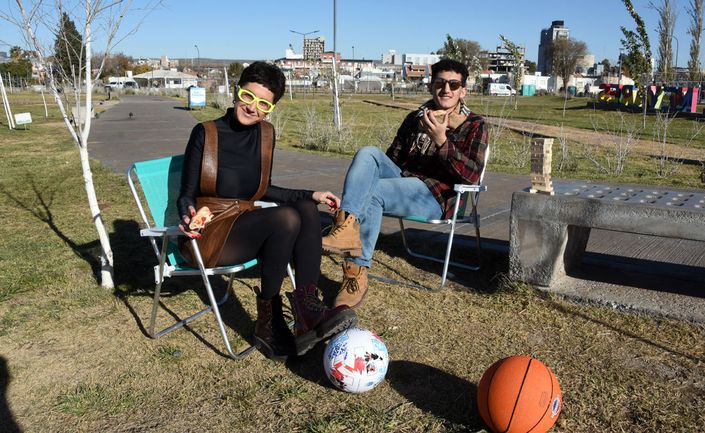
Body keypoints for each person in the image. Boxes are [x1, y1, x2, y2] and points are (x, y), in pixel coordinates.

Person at [177, 61, 356, 360]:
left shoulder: (266, 134)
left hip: (245, 223)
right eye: (248, 96)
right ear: (237, 92)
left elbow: (262, 189)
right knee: (285, 218)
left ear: (270, 109)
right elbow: (186, 195)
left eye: (263, 104)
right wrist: (187, 216)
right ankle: (268, 322)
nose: (252, 107)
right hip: (209, 232)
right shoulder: (205, 133)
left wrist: (311, 195)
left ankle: (307, 310)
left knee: (304, 208)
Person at [322, 59, 488, 307]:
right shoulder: (416, 118)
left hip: (436, 196)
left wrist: (442, 141)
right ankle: (346, 228)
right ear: (431, 87)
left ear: (463, 91)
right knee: (368, 153)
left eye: (454, 84)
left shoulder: (474, 125)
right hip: (403, 183)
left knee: (374, 192)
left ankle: (355, 273)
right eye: (440, 83)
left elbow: (471, 175)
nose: (446, 89)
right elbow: (392, 160)